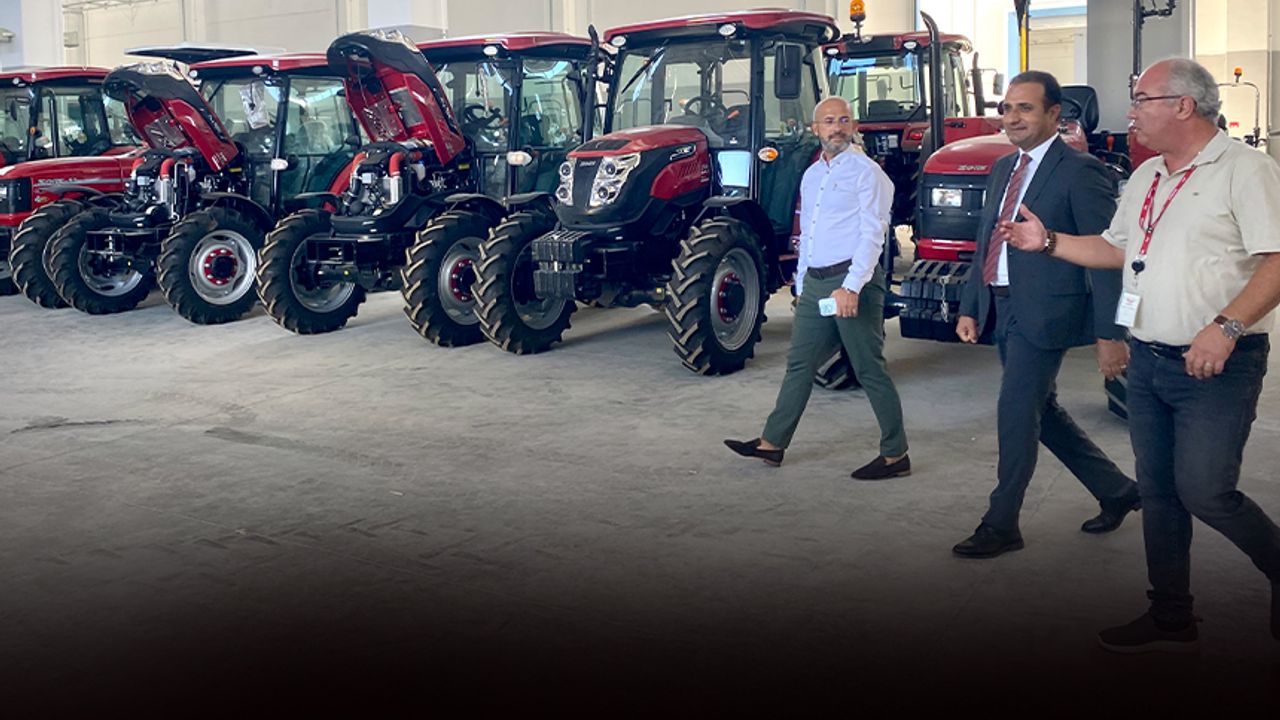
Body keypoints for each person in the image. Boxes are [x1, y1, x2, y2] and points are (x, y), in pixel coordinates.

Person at [998, 58, 1280, 651]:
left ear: (1183, 105)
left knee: (1206, 490)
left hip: (1217, 364)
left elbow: (1277, 260)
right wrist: (1047, 242)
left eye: (1142, 99)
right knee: (1158, 492)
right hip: (1150, 358)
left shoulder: (1245, 170)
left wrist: (1226, 327)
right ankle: (1170, 614)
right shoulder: (1149, 174)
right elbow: (1115, 248)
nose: (1131, 112)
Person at [951, 71, 1141, 559]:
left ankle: (1001, 524)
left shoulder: (1081, 171)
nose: (1012, 117)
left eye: (1025, 108)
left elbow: (1107, 255)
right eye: (1007, 108)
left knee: (1016, 413)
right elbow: (986, 241)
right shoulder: (1002, 168)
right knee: (1042, 411)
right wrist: (972, 304)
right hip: (1003, 305)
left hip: (1047, 313)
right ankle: (1118, 490)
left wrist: (1110, 332)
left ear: (1054, 114)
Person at [724, 97, 909, 480]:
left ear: (852, 125)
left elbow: (873, 234)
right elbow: (808, 232)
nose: (836, 128)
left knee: (868, 367)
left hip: (852, 281)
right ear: (816, 129)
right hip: (817, 283)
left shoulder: (867, 173)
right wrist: (802, 282)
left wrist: (852, 287)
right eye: (828, 121)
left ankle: (895, 454)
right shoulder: (811, 176)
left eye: (843, 120)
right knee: (800, 364)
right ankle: (773, 443)